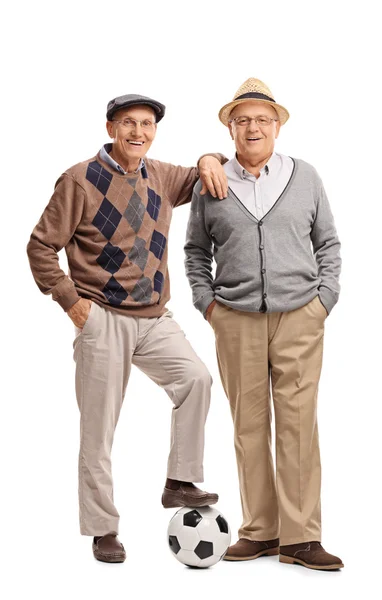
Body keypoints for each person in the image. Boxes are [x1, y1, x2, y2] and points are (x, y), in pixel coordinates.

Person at [27, 93, 228, 563]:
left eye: (147, 124)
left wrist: (206, 156)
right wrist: (73, 305)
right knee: (98, 429)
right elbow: (39, 246)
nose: (138, 132)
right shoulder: (79, 179)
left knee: (196, 380)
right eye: (128, 124)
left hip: (154, 317)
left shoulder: (159, 174)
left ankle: (179, 481)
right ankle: (103, 529)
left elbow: (209, 166)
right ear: (110, 127)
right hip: (102, 317)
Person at [184, 78, 344, 570]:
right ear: (230, 128)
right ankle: (261, 530)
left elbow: (328, 244)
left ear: (277, 127)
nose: (252, 127)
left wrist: (324, 299)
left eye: (262, 119)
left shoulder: (306, 176)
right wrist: (208, 304)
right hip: (235, 320)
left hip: (300, 316)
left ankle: (301, 538)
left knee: (297, 426)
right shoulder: (210, 182)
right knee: (248, 427)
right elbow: (195, 252)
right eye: (242, 119)